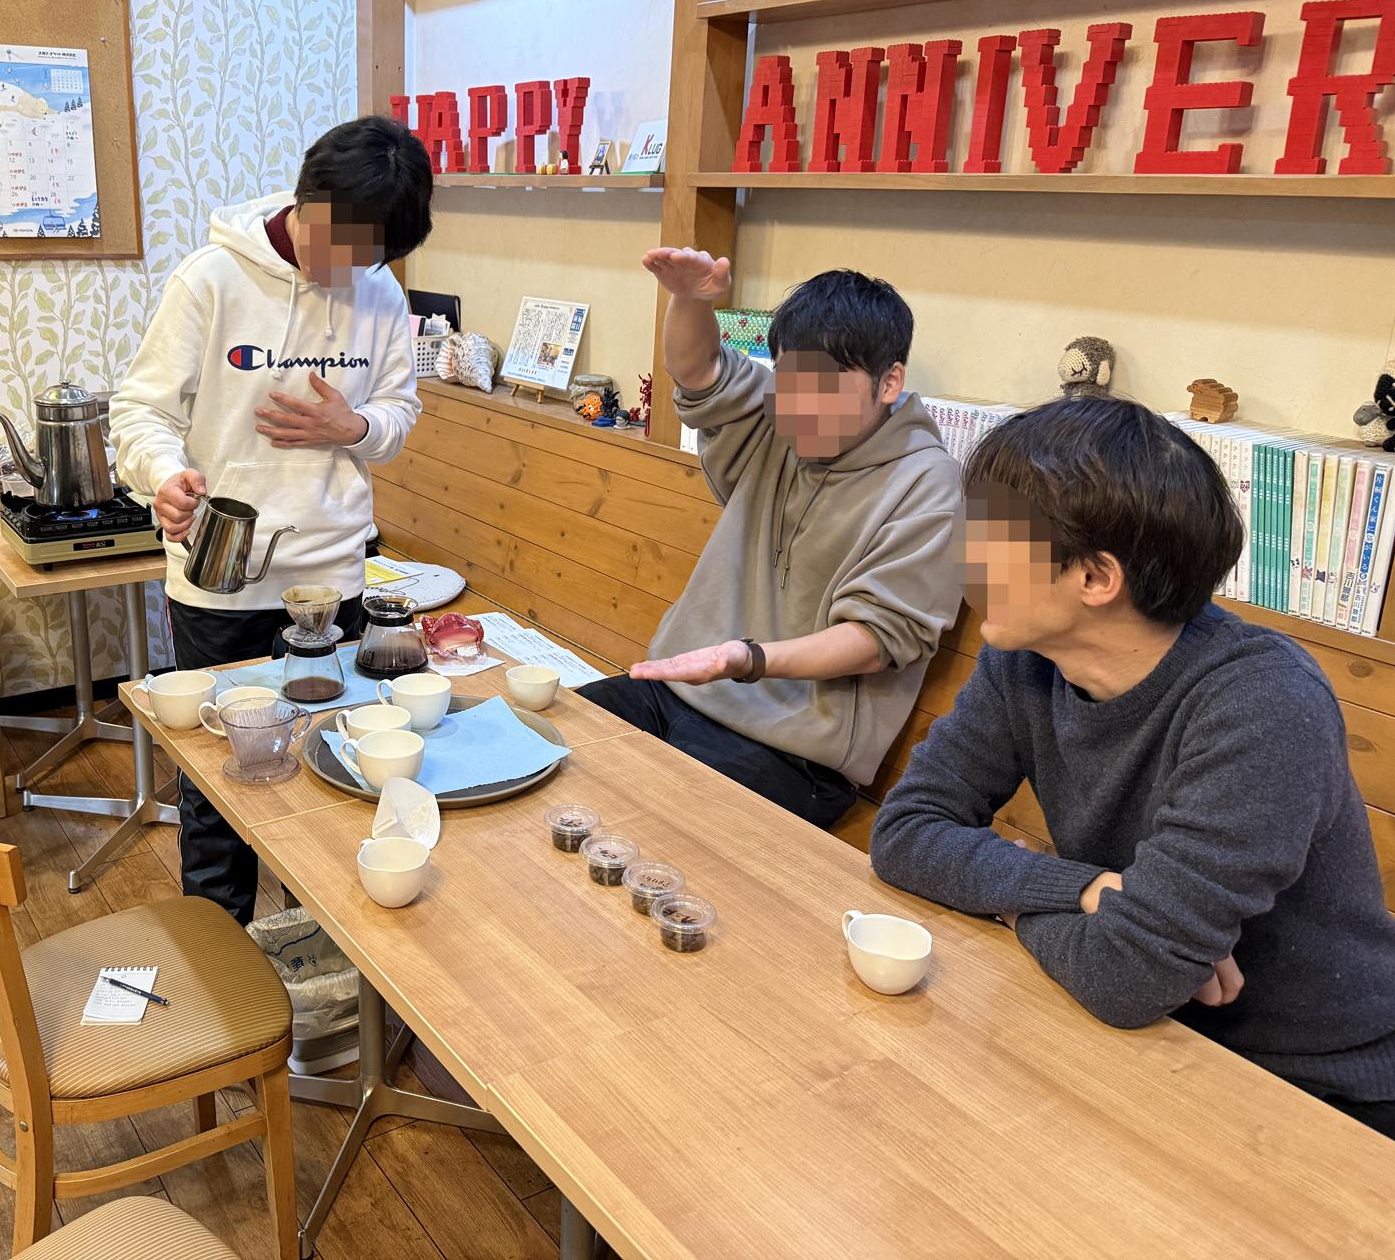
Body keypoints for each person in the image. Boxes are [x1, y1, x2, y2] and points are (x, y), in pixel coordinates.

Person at [871, 398, 1395, 1139]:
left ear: (1095, 577)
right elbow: (905, 831)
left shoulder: (1262, 703)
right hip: (1141, 1041)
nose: (964, 555)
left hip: (1314, 1088)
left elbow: (1126, 974)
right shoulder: (1026, 658)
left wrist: (1019, 900)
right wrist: (1083, 888)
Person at [110, 115, 432, 924]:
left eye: (365, 255)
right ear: (303, 197)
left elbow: (399, 412)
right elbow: (141, 410)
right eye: (335, 242)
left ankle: (316, 953)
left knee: (333, 772)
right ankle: (218, 959)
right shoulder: (211, 280)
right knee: (221, 784)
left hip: (332, 581)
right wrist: (163, 475)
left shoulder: (379, 293)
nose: (342, 268)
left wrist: (353, 427)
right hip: (221, 583)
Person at [579, 254, 962, 824]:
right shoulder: (777, 422)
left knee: (644, 828)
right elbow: (698, 370)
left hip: (794, 755)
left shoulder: (929, 483)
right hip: (675, 693)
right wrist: (690, 298)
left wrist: (748, 659)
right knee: (543, 747)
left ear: (890, 382)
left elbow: (878, 637)